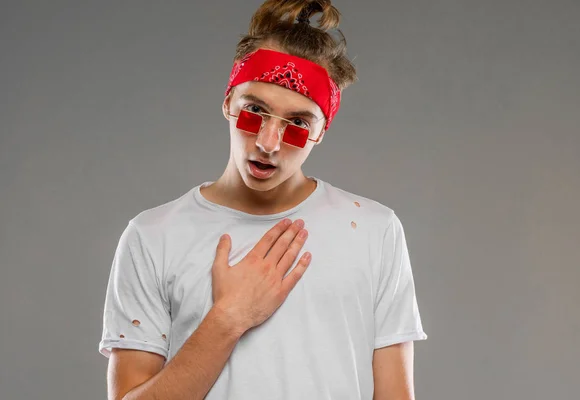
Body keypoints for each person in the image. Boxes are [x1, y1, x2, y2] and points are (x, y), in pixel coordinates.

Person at [98, 1, 427, 399]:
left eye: (298, 125)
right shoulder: (152, 237)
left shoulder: (375, 231)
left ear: (321, 132)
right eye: (254, 111)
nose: (268, 143)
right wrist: (228, 318)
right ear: (227, 103)